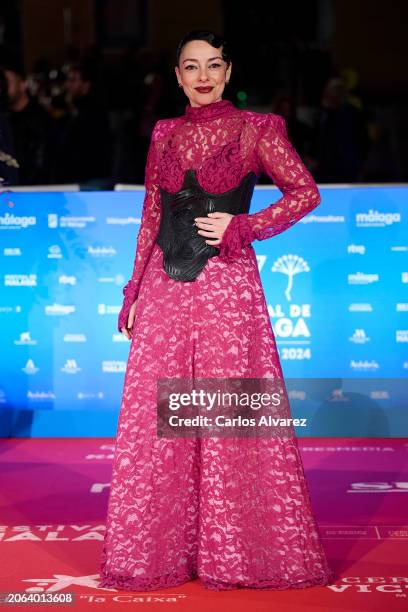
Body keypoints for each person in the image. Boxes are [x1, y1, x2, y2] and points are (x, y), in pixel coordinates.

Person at [99, 29, 333, 592]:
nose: (202, 76)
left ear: (228, 72)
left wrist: (245, 225)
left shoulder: (258, 129)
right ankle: (166, 552)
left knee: (228, 417)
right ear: (177, 77)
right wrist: (133, 291)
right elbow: (151, 214)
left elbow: (305, 192)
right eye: (190, 67)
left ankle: (236, 554)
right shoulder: (164, 133)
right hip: (165, 288)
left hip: (228, 286)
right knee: (165, 420)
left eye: (213, 65)